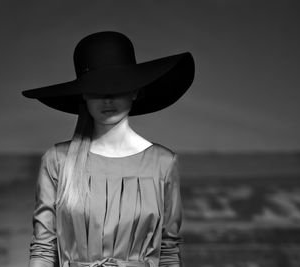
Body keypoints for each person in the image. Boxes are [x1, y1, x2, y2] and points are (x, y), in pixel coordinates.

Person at [22, 31, 195, 267]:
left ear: (136, 90)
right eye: (97, 89)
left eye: (118, 87)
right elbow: (43, 249)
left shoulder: (163, 163)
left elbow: (168, 250)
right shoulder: (58, 161)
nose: (108, 99)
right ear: (83, 94)